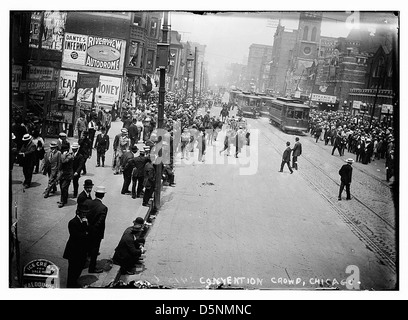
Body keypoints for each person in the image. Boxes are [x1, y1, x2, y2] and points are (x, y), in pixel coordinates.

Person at [63, 202, 90, 288]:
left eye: (86, 213)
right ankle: (70, 285)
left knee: (79, 268)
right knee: (72, 270)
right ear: (78, 212)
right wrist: (86, 233)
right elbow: (76, 236)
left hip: (81, 250)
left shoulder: (84, 221)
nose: (85, 214)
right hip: (74, 251)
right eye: (83, 213)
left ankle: (74, 282)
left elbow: (87, 232)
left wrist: (86, 229)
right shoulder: (73, 222)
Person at [86, 186, 108, 273]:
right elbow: (100, 222)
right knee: (95, 251)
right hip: (96, 233)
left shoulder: (88, 203)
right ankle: (92, 268)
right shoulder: (103, 208)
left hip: (87, 230)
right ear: (103, 195)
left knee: (87, 248)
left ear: (95, 194)